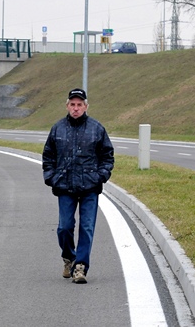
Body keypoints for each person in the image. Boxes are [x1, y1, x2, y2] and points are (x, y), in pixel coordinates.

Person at [42, 88, 114, 284]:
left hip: (90, 186)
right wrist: (51, 177)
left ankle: (81, 266)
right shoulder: (57, 129)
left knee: (87, 227)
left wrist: (101, 176)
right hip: (65, 186)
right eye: (72, 104)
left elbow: (107, 156)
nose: (76, 108)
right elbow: (48, 155)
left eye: (79, 105)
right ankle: (69, 257)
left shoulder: (96, 129)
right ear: (67, 106)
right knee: (64, 228)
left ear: (85, 106)